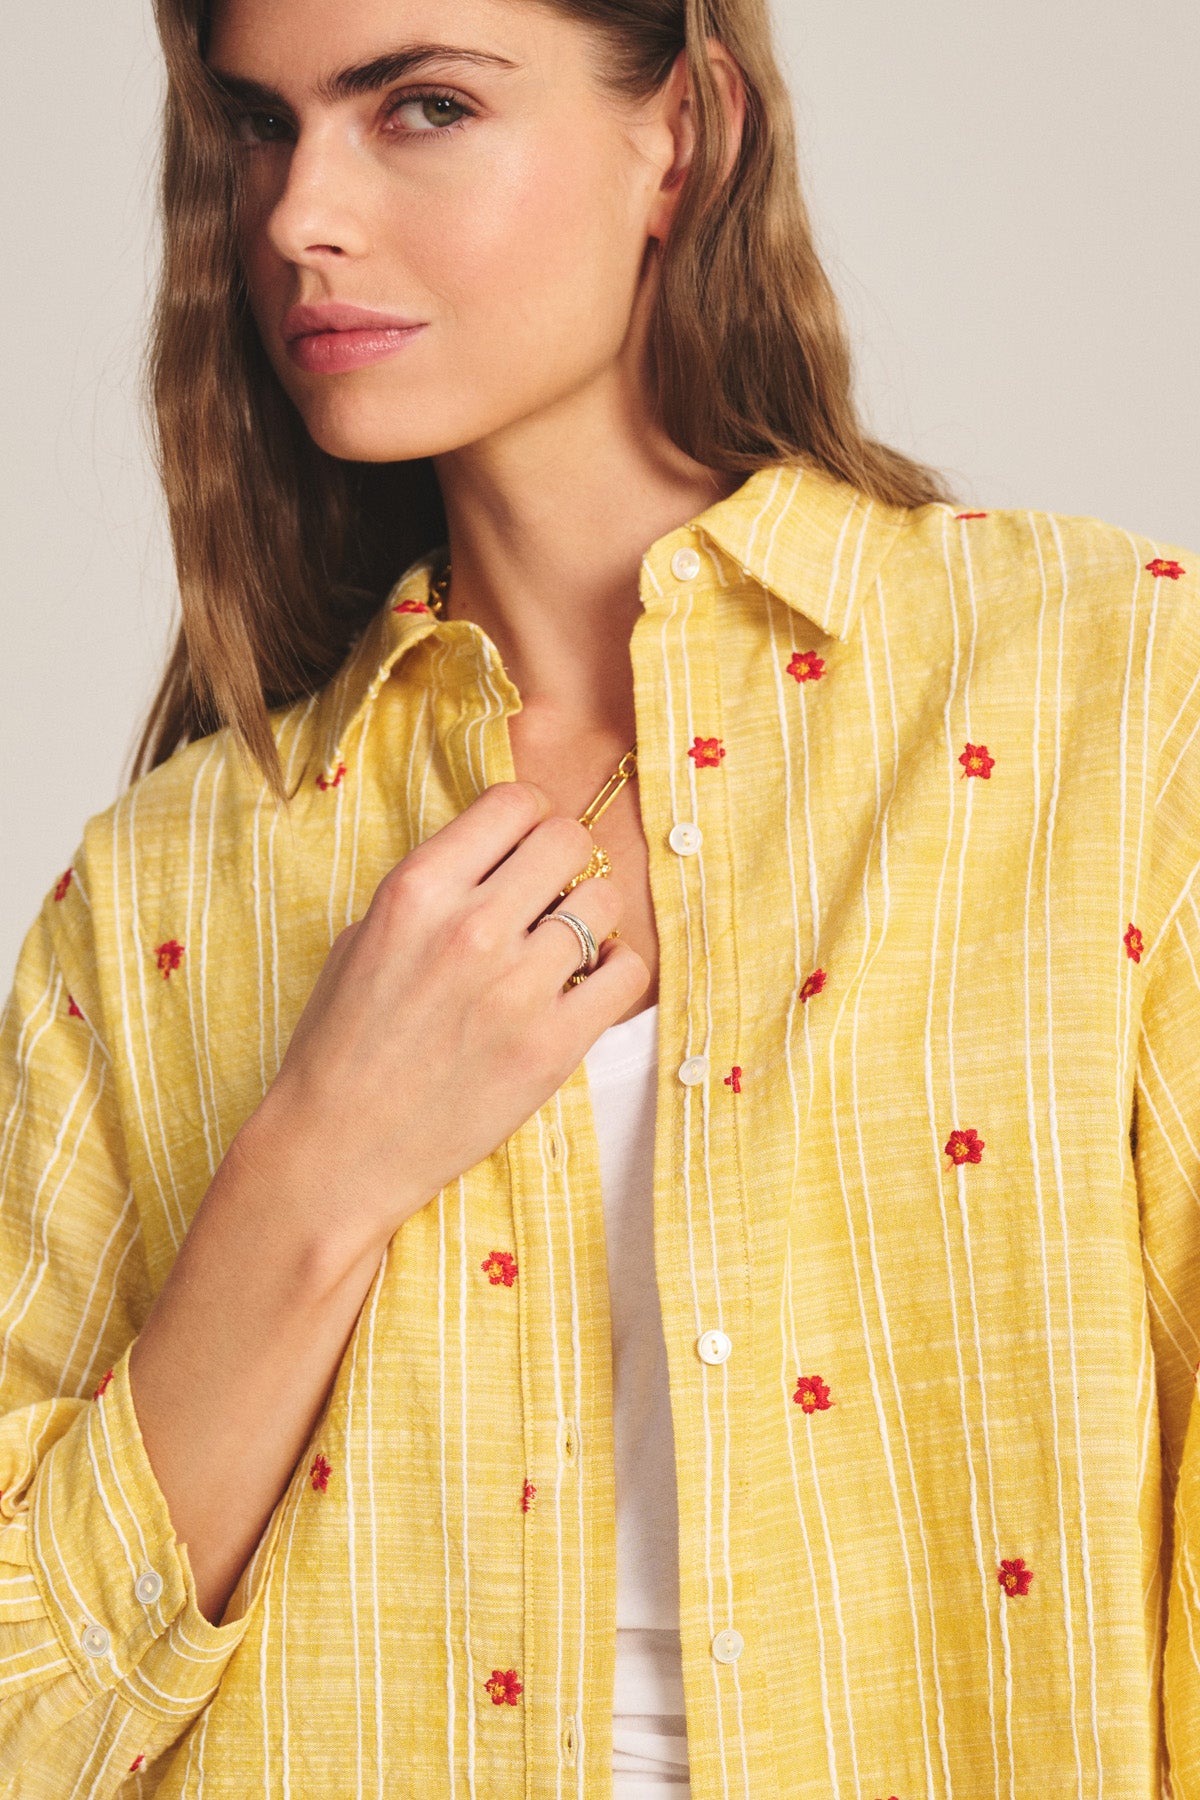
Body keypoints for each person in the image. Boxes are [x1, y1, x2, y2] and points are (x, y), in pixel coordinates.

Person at [1, 0, 1198, 1794]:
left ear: (684, 133)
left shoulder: (1107, 699)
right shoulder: (167, 887)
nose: (299, 214)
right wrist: (317, 1161)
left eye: (420, 106)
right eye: (259, 126)